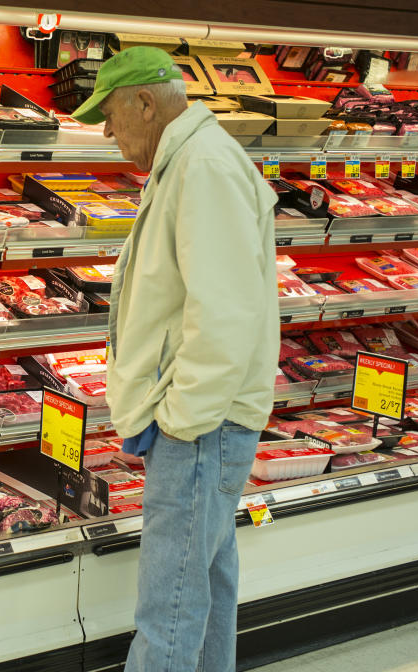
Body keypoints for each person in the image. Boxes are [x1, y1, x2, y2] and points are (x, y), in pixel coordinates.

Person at [72, 47, 279, 672]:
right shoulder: (187, 161)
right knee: (205, 592)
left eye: (109, 115)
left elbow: (224, 312)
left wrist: (182, 417)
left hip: (200, 428)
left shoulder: (203, 166)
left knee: (169, 608)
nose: (108, 132)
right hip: (201, 423)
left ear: (144, 102)